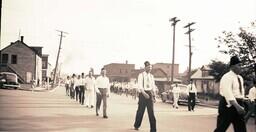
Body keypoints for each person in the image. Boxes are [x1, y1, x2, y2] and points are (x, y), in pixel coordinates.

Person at [214, 56, 247, 132]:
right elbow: (228, 93)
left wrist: (244, 100)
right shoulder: (227, 77)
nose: (241, 67)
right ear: (232, 66)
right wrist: (237, 106)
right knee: (221, 128)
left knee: (241, 129)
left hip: (239, 103)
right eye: (239, 65)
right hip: (228, 106)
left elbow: (238, 92)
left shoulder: (240, 78)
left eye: (241, 65)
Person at [134, 61, 156, 132]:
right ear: (145, 67)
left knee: (151, 112)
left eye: (150, 67)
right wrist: (144, 93)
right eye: (148, 67)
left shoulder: (151, 76)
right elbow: (140, 86)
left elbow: (153, 86)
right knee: (140, 111)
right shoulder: (141, 75)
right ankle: (136, 125)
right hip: (143, 94)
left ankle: (153, 129)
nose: (149, 68)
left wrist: (154, 95)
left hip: (149, 93)